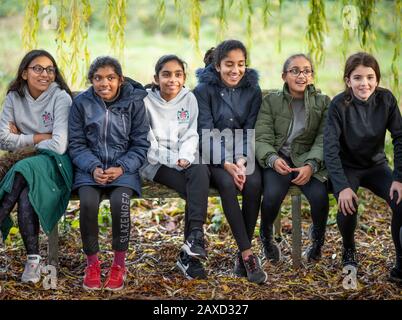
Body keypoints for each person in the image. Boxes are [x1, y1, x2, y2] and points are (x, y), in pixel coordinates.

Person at [68, 56, 150, 291]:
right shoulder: (81, 103)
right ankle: (92, 263)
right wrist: (93, 167)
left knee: (119, 203)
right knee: (88, 203)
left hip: (123, 168)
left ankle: (118, 264)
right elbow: (76, 144)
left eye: (111, 78)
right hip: (89, 169)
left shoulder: (134, 103)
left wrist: (122, 167)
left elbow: (140, 144)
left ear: (120, 80)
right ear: (91, 80)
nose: (105, 83)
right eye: (98, 78)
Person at [324, 52, 402, 283]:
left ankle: (401, 263)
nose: (364, 83)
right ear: (348, 80)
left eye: (370, 77)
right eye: (358, 78)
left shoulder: (386, 100)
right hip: (348, 167)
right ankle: (349, 249)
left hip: (376, 166)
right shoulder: (338, 105)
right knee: (348, 205)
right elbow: (330, 148)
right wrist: (342, 186)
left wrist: (399, 177)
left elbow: (400, 137)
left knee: (400, 201)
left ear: (377, 79)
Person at [194, 39, 266, 284]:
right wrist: (226, 162)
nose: (235, 70)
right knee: (226, 184)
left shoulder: (252, 90)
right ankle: (247, 254)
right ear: (217, 66)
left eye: (241, 64)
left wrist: (242, 160)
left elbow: (250, 129)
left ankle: (240, 253)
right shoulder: (203, 91)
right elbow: (205, 131)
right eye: (229, 64)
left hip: (243, 153)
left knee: (254, 183)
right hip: (214, 155)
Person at [0, 49, 73, 284]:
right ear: (24, 73)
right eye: (38, 69)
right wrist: (41, 136)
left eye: (50, 69)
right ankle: (33, 261)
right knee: (24, 192)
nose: (45, 74)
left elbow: (60, 145)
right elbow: (2, 139)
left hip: (56, 162)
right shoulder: (14, 97)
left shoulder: (60, 97)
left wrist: (23, 138)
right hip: (28, 163)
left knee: (24, 168)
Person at [255, 54, 330, 263]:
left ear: (312, 76)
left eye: (307, 71)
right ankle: (266, 237)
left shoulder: (322, 103)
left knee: (320, 198)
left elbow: (324, 138)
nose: (301, 75)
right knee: (271, 197)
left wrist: (312, 165)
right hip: (279, 158)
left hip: (307, 160)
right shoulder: (271, 102)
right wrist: (271, 158)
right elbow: (261, 137)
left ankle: (317, 240)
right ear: (284, 76)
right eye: (295, 71)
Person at [141, 54, 210, 280]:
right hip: (154, 163)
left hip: (183, 157)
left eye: (178, 74)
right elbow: (148, 145)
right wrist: (175, 159)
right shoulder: (145, 101)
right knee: (194, 188)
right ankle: (189, 258)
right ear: (156, 77)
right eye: (166, 74)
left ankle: (195, 236)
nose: (173, 80)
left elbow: (191, 133)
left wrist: (186, 156)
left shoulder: (188, 98)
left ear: (184, 77)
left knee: (199, 169)